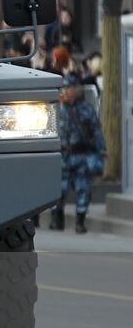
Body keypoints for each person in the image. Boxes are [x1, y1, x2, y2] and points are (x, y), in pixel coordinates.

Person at [53, 73, 104, 233]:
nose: (66, 91)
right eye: (64, 87)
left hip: (81, 154)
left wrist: (101, 148)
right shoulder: (57, 109)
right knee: (58, 188)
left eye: (69, 87)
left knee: (83, 188)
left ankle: (80, 222)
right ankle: (57, 219)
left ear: (76, 88)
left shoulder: (86, 109)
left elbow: (96, 130)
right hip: (62, 155)